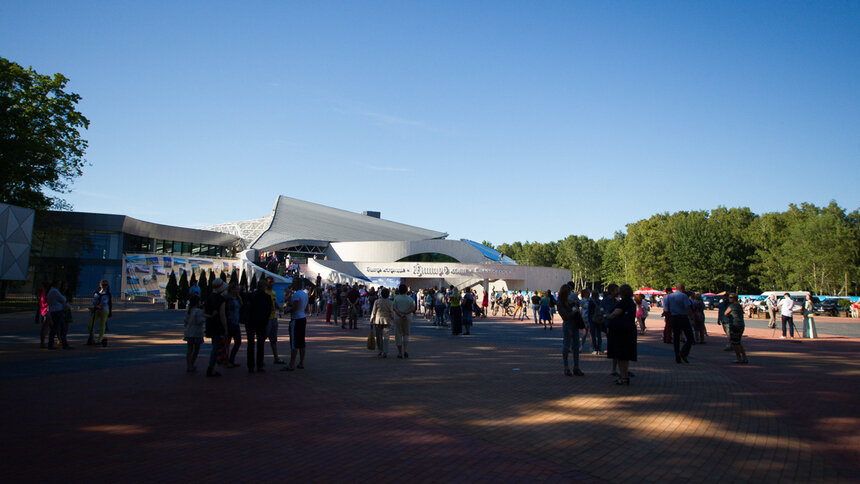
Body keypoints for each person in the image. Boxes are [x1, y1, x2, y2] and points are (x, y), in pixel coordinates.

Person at [605, 284, 638, 385]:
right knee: (625, 356)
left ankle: (623, 377)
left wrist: (608, 316)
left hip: (620, 331)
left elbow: (616, 313)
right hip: (629, 330)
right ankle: (624, 376)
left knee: (621, 355)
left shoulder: (623, 303)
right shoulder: (631, 303)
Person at [664, 283, 696, 363]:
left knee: (676, 338)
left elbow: (667, 308)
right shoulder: (683, 296)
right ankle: (683, 352)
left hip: (674, 317)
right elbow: (687, 307)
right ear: (682, 288)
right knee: (690, 337)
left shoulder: (669, 297)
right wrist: (692, 318)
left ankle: (677, 356)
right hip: (683, 317)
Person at [557, 284, 584, 377]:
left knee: (575, 346)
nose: (569, 294)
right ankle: (566, 367)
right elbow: (565, 316)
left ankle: (576, 366)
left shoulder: (568, 301)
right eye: (568, 292)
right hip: (568, 324)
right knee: (567, 346)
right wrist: (574, 312)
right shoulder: (561, 302)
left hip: (573, 324)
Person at [203, 278, 229, 377]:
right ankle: (211, 368)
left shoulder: (208, 298)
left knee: (214, 345)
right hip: (218, 325)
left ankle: (212, 367)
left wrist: (210, 316)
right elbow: (223, 315)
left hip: (210, 324)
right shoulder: (221, 299)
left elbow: (203, 313)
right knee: (216, 347)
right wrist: (226, 328)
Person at [282, 279, 308, 371]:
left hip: (296, 319)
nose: (292, 284)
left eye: (294, 282)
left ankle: (291, 364)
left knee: (294, 343)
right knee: (301, 342)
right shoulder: (304, 294)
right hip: (302, 318)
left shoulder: (297, 294)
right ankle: (301, 362)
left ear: (297, 284)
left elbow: (295, 307)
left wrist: (287, 311)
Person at [246, 280, 272, 372]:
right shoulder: (267, 297)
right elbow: (269, 311)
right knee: (260, 344)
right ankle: (259, 365)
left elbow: (247, 309)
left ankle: (250, 365)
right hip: (261, 323)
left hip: (250, 322)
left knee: (250, 344)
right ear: (264, 286)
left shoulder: (250, 296)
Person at [265, 277, 285, 364]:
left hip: (273, 317)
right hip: (266, 318)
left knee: (273, 339)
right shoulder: (264, 293)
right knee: (262, 338)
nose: (271, 284)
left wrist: (280, 308)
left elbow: (274, 302)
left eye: (272, 282)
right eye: (270, 282)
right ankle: (260, 358)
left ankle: (276, 358)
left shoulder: (273, 292)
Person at [46, 280, 72, 350]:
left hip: (53, 310)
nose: (60, 286)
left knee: (56, 328)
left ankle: (52, 344)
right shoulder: (55, 291)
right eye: (59, 284)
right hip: (57, 310)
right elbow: (63, 299)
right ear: (55, 284)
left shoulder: (51, 291)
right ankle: (63, 344)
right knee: (60, 327)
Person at [369, 287, 394, 357]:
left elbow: (373, 311)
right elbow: (392, 312)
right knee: (386, 337)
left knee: (378, 336)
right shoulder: (390, 302)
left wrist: (371, 319)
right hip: (387, 320)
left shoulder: (377, 301)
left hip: (378, 320)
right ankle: (385, 351)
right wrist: (393, 318)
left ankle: (380, 350)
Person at [392, 284, 416, 358]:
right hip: (407, 317)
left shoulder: (396, 298)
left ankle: (399, 352)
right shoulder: (410, 299)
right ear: (406, 290)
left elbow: (394, 307)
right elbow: (413, 308)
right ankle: (405, 350)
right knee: (406, 334)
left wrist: (400, 314)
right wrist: (406, 313)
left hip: (398, 317)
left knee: (398, 334)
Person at [724, 293, 748, 364]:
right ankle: (744, 357)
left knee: (735, 342)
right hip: (741, 324)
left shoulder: (732, 306)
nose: (729, 299)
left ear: (734, 298)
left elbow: (726, 313)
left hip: (734, 324)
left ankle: (739, 358)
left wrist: (729, 317)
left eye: (730, 297)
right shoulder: (739, 306)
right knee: (738, 342)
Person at [183, 294, 204, 372]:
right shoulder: (198, 311)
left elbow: (185, 321)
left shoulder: (189, 311)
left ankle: (189, 365)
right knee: (196, 349)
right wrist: (204, 318)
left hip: (189, 332)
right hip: (196, 332)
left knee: (189, 350)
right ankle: (192, 363)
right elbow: (199, 321)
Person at [88, 280, 112, 346]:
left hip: (104, 310)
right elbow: (94, 301)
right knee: (90, 325)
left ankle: (100, 339)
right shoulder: (97, 293)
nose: (105, 286)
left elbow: (105, 303)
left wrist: (99, 306)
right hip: (97, 310)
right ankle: (92, 337)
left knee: (102, 324)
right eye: (103, 285)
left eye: (106, 285)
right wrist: (96, 306)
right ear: (100, 285)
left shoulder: (107, 294)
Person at [224, 283, 242, 368]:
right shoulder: (228, 298)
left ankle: (231, 359)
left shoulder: (238, 298)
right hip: (230, 322)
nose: (238, 290)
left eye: (238, 289)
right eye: (236, 289)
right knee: (227, 343)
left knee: (238, 342)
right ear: (232, 290)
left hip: (236, 322)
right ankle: (226, 360)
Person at [37, 281, 52, 348]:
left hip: (44, 311)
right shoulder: (46, 293)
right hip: (47, 311)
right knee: (47, 327)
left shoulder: (42, 292)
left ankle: (44, 342)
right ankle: (43, 343)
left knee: (49, 327)